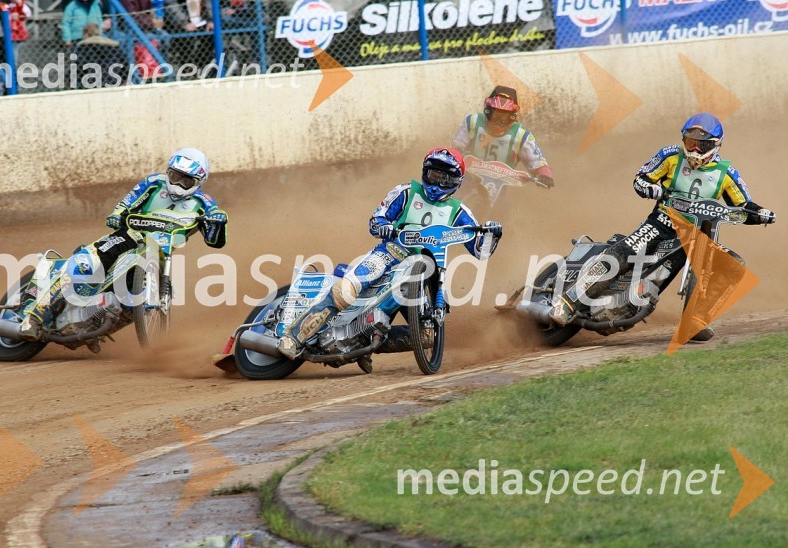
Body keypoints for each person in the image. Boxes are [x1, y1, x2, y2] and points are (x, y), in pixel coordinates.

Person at [548, 113, 776, 341]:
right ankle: (568, 302)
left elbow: (744, 207)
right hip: (660, 223)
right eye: (690, 143)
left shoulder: (727, 173)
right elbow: (641, 178)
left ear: (715, 145)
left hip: (697, 233)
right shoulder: (670, 155)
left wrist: (762, 214)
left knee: (733, 264)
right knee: (624, 252)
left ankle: (695, 320)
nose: (694, 150)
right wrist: (652, 189)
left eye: (701, 145)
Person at [277, 147, 503, 360]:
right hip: (391, 253)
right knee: (347, 290)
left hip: (425, 269)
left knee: (427, 336)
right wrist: (384, 226)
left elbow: (480, 252)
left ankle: (362, 342)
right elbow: (377, 219)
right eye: (434, 176)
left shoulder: (460, 212)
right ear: (425, 173)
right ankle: (294, 337)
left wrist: (493, 234)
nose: (437, 184)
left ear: (456, 182)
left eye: (445, 179)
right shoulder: (405, 192)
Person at [20, 148, 228, 338]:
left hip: (161, 252)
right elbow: (128, 202)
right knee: (86, 263)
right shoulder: (154, 182)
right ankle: (33, 316)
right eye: (174, 176)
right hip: (131, 236)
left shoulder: (205, 203)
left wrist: (218, 222)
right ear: (168, 172)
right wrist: (117, 214)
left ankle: (94, 325)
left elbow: (214, 241)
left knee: (131, 305)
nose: (177, 184)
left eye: (186, 181)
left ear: (199, 181)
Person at [452, 85, 555, 214]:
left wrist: (545, 176)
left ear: (512, 118)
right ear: (488, 112)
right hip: (468, 178)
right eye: (495, 116)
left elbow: (538, 163)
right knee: (452, 199)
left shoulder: (521, 137)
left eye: (504, 118)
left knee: (504, 216)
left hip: (498, 187)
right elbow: (455, 150)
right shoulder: (472, 123)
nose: (499, 122)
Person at [73, 22, 126, 88]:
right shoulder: (114, 46)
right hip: (113, 82)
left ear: (86, 34)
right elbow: (125, 66)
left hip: (91, 84)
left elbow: (77, 69)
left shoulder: (83, 48)